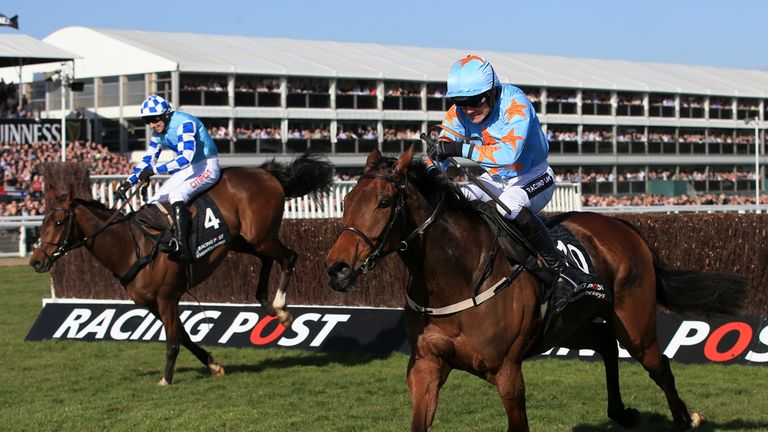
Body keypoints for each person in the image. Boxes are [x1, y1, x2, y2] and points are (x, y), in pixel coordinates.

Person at [426, 55, 595, 300]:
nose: (468, 109)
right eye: (460, 102)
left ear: (493, 93)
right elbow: (441, 150)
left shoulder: (516, 103)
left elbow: (508, 154)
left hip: (533, 175)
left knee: (511, 206)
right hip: (494, 178)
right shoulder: (459, 113)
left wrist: (458, 149)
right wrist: (433, 167)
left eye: (474, 101)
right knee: (456, 200)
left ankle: (562, 272)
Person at [117, 95, 220, 262]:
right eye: (147, 121)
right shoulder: (158, 134)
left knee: (177, 195)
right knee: (155, 200)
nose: (151, 124)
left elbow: (185, 158)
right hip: (189, 168)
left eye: (154, 119)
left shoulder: (185, 124)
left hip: (207, 165)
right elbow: (148, 160)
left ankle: (183, 246)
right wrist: (129, 182)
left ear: (166, 115)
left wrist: (155, 170)